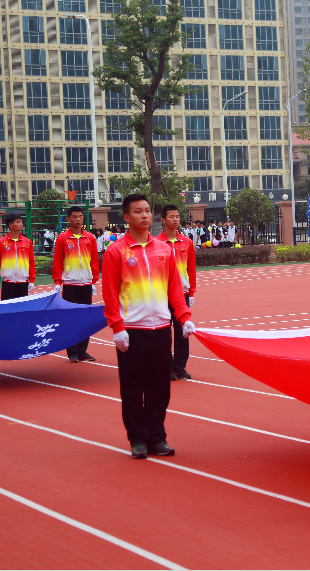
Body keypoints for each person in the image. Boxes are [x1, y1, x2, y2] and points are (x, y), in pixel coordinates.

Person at [104, 194, 194, 460]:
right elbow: (110, 293)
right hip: (131, 331)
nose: (144, 216)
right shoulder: (116, 251)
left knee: (159, 388)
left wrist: (184, 316)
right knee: (132, 388)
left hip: (161, 329)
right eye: (138, 211)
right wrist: (117, 327)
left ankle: (157, 436)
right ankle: (137, 439)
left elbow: (174, 289)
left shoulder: (164, 249)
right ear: (126, 217)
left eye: (147, 211)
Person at [52, 206, 100, 363]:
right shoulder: (62, 239)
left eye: (80, 216)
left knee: (85, 319)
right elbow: (58, 261)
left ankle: (82, 351)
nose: (78, 219)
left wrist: (93, 280)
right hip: (70, 284)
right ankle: (72, 351)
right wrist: (58, 282)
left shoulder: (90, 238)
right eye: (75, 217)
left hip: (86, 284)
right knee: (71, 319)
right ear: (69, 219)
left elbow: (94, 261)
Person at [156, 205, 197, 381]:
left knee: (183, 332)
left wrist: (192, 292)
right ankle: (167, 366)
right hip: (163, 294)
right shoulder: (156, 243)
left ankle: (180, 366)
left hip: (183, 293)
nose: (175, 220)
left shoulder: (186, 242)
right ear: (163, 220)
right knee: (164, 333)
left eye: (177, 216)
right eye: (171, 217)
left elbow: (191, 269)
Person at [0, 214, 36, 300]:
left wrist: (32, 280)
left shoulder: (27, 242)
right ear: (10, 225)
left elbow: (31, 261)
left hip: (23, 283)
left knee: (22, 310)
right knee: (7, 310)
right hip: (7, 284)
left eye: (21, 222)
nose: (21, 224)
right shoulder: (1, 243)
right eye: (18, 222)